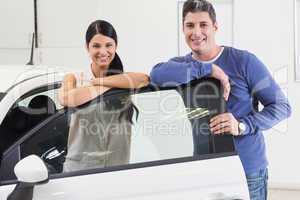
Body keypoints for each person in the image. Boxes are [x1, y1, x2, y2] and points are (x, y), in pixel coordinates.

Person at [150, 0, 291, 199]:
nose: (196, 32)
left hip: (246, 170)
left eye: (203, 25)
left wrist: (242, 125)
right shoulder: (181, 66)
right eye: (190, 25)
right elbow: (156, 75)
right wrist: (208, 69)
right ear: (183, 28)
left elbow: (282, 106)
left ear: (215, 27)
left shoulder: (243, 61)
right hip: (204, 171)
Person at [59, 20, 149, 172]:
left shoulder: (124, 79)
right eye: (96, 46)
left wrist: (100, 82)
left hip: (117, 169)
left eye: (108, 45)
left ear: (116, 46)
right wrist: (109, 85)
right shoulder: (74, 78)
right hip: (80, 170)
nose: (103, 51)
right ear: (87, 47)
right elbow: (66, 98)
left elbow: (144, 79)